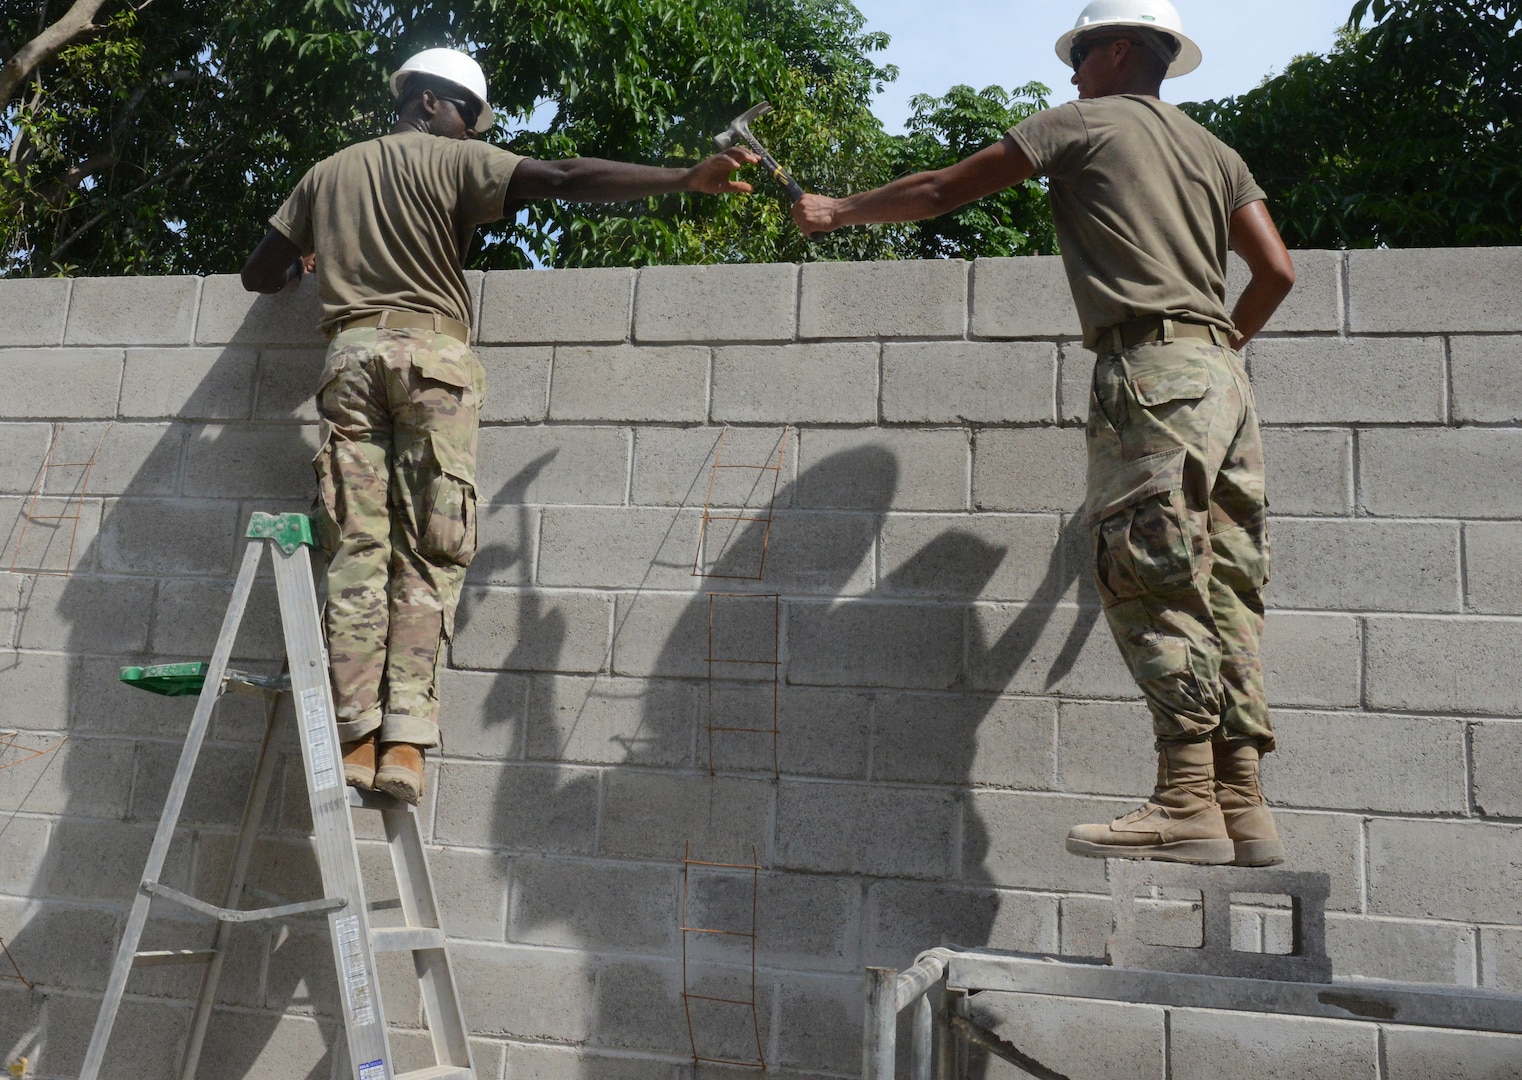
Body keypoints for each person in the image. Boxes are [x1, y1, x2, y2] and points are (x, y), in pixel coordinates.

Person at [792, 0, 1295, 866]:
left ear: (1121, 51)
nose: (1070, 71)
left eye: (1081, 53)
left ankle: (1184, 801)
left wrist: (838, 210)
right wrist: (1219, 350)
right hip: (1225, 381)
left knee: (1152, 578)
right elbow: (1277, 270)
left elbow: (944, 189)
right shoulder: (1217, 152)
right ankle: (1242, 805)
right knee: (1227, 591)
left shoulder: (1082, 125)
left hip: (1150, 373)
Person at [242, 48, 758, 804]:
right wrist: (682, 177)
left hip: (348, 359)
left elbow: (259, 273)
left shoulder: (327, 173)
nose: (470, 133)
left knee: (356, 546)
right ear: (428, 102)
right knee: (430, 549)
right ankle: (405, 745)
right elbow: (565, 177)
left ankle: (353, 734)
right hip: (431, 361)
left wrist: (307, 260)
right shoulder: (451, 162)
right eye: (467, 117)